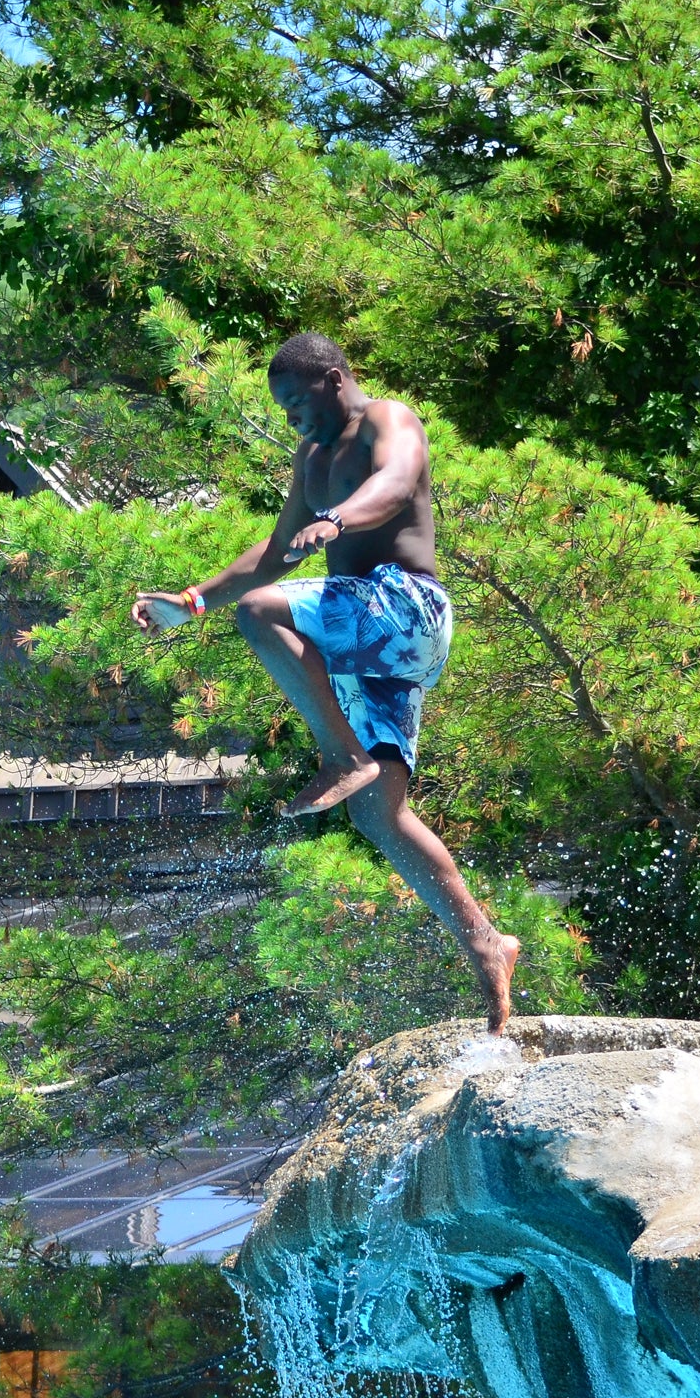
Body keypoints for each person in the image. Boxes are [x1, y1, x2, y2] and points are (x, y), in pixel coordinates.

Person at [133, 333, 520, 1030]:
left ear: (334, 381)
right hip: (369, 640)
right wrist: (189, 603)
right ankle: (485, 942)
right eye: (282, 412)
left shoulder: (387, 420)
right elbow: (276, 553)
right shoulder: (309, 460)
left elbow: (397, 482)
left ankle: (341, 755)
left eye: (297, 405)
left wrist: (338, 519)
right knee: (378, 814)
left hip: (406, 607)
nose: (293, 421)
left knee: (261, 616)